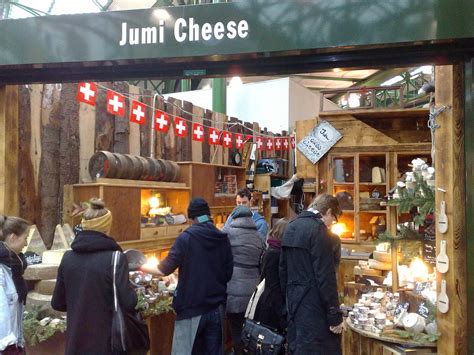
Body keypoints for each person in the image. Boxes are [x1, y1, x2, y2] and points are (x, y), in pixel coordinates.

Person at [141, 198, 233, 355]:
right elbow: (228, 274)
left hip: (191, 310)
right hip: (216, 308)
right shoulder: (222, 238)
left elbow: (164, 270)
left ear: (192, 218)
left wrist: (139, 265)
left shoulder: (186, 238)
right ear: (208, 215)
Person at [52, 198, 138, 355]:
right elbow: (128, 302)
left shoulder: (68, 257)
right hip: (107, 343)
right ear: (107, 228)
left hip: (75, 343)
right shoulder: (115, 258)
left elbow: (58, 303)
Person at [279, 194, 344, 355]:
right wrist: (334, 316)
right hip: (315, 309)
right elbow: (325, 276)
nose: (331, 224)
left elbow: (282, 269)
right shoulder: (318, 230)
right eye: (333, 219)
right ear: (328, 212)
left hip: (294, 304)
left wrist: (288, 299)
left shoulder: (291, 226)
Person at [225, 206, 265, 355]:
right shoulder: (259, 237)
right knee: (249, 331)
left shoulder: (227, 234)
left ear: (234, 218)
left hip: (232, 289)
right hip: (253, 291)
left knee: (235, 331)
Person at [0, 216, 31, 355]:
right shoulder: (2, 271)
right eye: (25, 238)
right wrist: (10, 348)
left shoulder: (14, 268)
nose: (26, 244)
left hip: (15, 344)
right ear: (13, 237)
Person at [253, 218, 290, 333]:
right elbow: (273, 284)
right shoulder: (275, 253)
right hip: (272, 306)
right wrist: (282, 313)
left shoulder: (272, 249)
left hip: (270, 302)